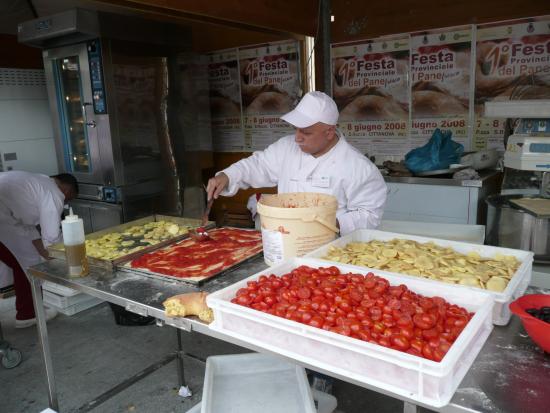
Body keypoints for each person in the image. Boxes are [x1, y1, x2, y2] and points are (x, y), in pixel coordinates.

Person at [207, 91, 387, 235]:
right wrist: (228, 176)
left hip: (329, 248)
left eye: (306, 132)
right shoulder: (286, 147)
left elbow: (369, 215)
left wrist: (333, 223)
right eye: (296, 129)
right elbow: (258, 165)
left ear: (329, 132)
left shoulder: (359, 167)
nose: (298, 138)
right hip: (286, 238)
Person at [0, 170, 78, 328]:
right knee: (28, 267)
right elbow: (51, 236)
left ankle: (28, 309)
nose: (63, 203)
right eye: (67, 200)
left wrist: (45, 251)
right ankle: (28, 315)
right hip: (3, 221)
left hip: (7, 218)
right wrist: (65, 256)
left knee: (24, 261)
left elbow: (29, 230)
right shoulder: (54, 193)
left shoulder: (39, 182)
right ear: (67, 191)